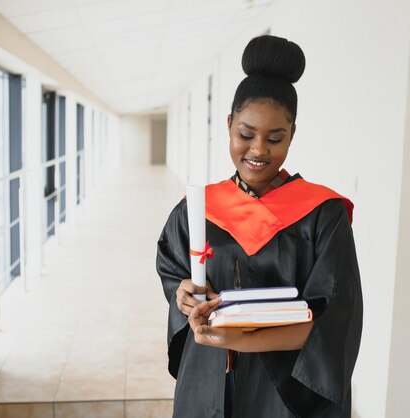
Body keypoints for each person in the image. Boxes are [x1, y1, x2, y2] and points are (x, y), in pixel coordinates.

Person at [156, 34, 363, 418]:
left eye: (275, 138)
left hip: (284, 393)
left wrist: (243, 341)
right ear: (229, 124)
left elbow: (335, 320)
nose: (258, 151)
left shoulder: (322, 213)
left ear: (293, 134)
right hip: (207, 378)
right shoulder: (197, 209)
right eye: (245, 134)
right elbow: (176, 279)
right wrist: (183, 297)